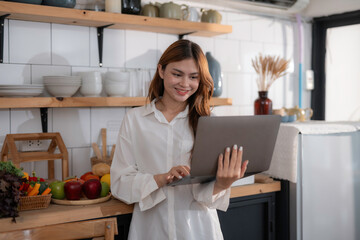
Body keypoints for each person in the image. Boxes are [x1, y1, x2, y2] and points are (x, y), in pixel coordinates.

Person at [110, 39, 249, 240]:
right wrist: (160, 178)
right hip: (151, 231)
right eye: (177, 74)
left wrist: (223, 184)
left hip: (199, 231)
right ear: (161, 71)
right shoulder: (134, 120)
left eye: (193, 77)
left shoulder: (209, 123)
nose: (185, 84)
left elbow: (206, 194)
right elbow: (119, 184)